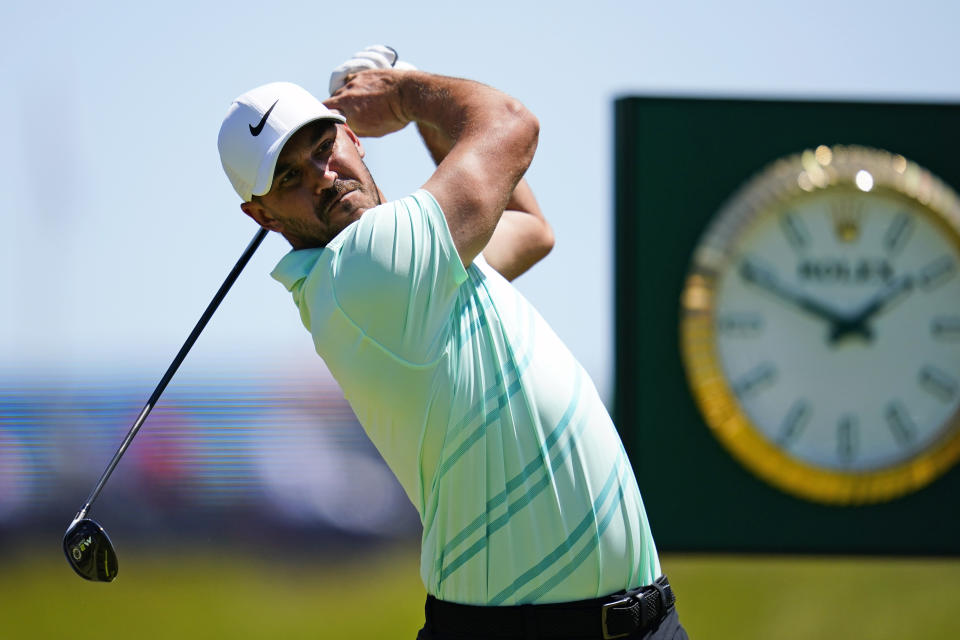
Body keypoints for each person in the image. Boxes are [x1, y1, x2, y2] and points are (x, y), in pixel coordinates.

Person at [217, 46, 688, 640]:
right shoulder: (369, 268)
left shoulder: (420, 268)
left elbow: (529, 230)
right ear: (263, 216)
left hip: (640, 622)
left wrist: (419, 112)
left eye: (321, 148)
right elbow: (512, 124)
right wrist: (405, 93)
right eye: (290, 177)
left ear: (352, 138)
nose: (323, 177)